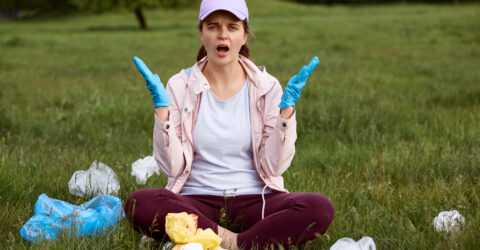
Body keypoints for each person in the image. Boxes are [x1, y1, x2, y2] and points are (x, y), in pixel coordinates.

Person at [124, 0, 334, 248]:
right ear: (201, 33)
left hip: (258, 199)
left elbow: (274, 167)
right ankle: (245, 241)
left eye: (232, 27)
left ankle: (224, 241)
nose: (222, 34)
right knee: (139, 203)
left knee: (318, 208)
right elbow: (173, 168)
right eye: (213, 26)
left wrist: (286, 116)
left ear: (244, 35)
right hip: (195, 201)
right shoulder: (179, 85)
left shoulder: (267, 88)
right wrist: (163, 114)